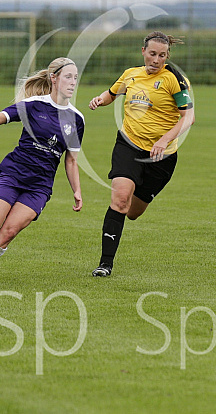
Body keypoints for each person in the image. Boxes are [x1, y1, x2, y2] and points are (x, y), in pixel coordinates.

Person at [0, 57, 84, 284]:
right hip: (13, 174)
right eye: (68, 77)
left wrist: (77, 191)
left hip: (40, 186)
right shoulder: (33, 105)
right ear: (54, 78)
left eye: (76, 78)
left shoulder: (76, 119)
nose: (73, 82)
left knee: (8, 233)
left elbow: (71, 160)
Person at [88, 31, 195, 277]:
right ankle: (105, 264)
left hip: (162, 156)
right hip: (128, 145)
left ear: (167, 56)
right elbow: (112, 93)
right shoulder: (131, 74)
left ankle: (126, 216)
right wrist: (99, 100)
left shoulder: (175, 79)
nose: (156, 59)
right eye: (152, 53)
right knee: (120, 200)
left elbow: (188, 116)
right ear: (143, 52)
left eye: (162, 55)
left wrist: (164, 139)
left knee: (133, 212)